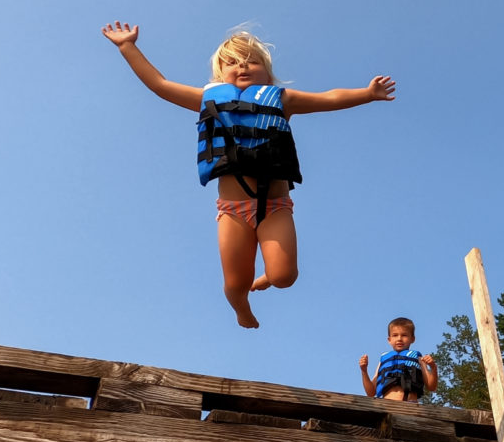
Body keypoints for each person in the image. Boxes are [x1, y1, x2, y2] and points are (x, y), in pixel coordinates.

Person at [102, 21, 396, 329]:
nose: (243, 66)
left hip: (275, 206)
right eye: (232, 62)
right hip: (233, 211)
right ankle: (241, 307)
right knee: (235, 284)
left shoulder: (282, 100)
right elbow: (160, 84)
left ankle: (268, 275)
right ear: (219, 74)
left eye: (252, 61)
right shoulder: (208, 99)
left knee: (284, 277)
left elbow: (330, 98)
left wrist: (367, 93)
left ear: (267, 74)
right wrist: (127, 46)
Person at [360, 317, 438, 402]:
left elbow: (431, 387)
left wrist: (433, 368)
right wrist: (364, 371)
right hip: (386, 405)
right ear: (389, 340)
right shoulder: (383, 359)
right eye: (395, 335)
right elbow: (370, 392)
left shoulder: (419, 359)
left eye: (404, 335)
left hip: (410, 406)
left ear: (412, 339)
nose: (399, 339)